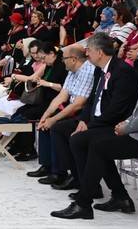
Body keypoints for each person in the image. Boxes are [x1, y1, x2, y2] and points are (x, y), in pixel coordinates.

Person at [50, 33, 138, 220]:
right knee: (72, 134)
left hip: (117, 125)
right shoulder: (100, 69)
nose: (86, 53)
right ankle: (113, 194)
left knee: (83, 140)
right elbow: (93, 99)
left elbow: (118, 109)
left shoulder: (123, 72)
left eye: (89, 50)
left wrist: (91, 125)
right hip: (100, 121)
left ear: (99, 52)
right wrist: (84, 120)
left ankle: (88, 196)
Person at [28, 44, 94, 184]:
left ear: (74, 59)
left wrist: (54, 119)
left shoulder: (88, 71)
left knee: (55, 126)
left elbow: (79, 104)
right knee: (45, 123)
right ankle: (48, 165)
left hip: (83, 112)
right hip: (70, 107)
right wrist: (46, 116)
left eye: (64, 58)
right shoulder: (71, 70)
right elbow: (61, 97)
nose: (62, 61)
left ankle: (60, 171)